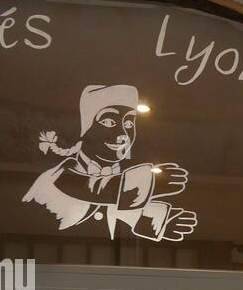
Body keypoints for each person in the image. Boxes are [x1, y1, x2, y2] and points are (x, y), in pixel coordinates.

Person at [24, 84, 197, 241]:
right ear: (84, 129)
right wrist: (148, 183)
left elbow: (116, 208)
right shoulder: (60, 175)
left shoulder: (117, 178)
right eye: (108, 121)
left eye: (129, 123)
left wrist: (159, 223)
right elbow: (95, 190)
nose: (122, 133)